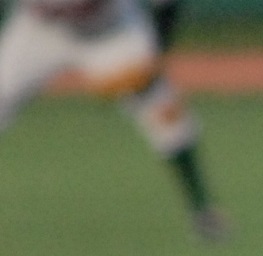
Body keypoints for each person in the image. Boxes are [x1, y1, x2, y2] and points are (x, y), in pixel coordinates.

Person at [0, 0, 227, 240]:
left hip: (111, 31)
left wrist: (154, 56)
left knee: (162, 107)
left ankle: (204, 209)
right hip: (37, 32)